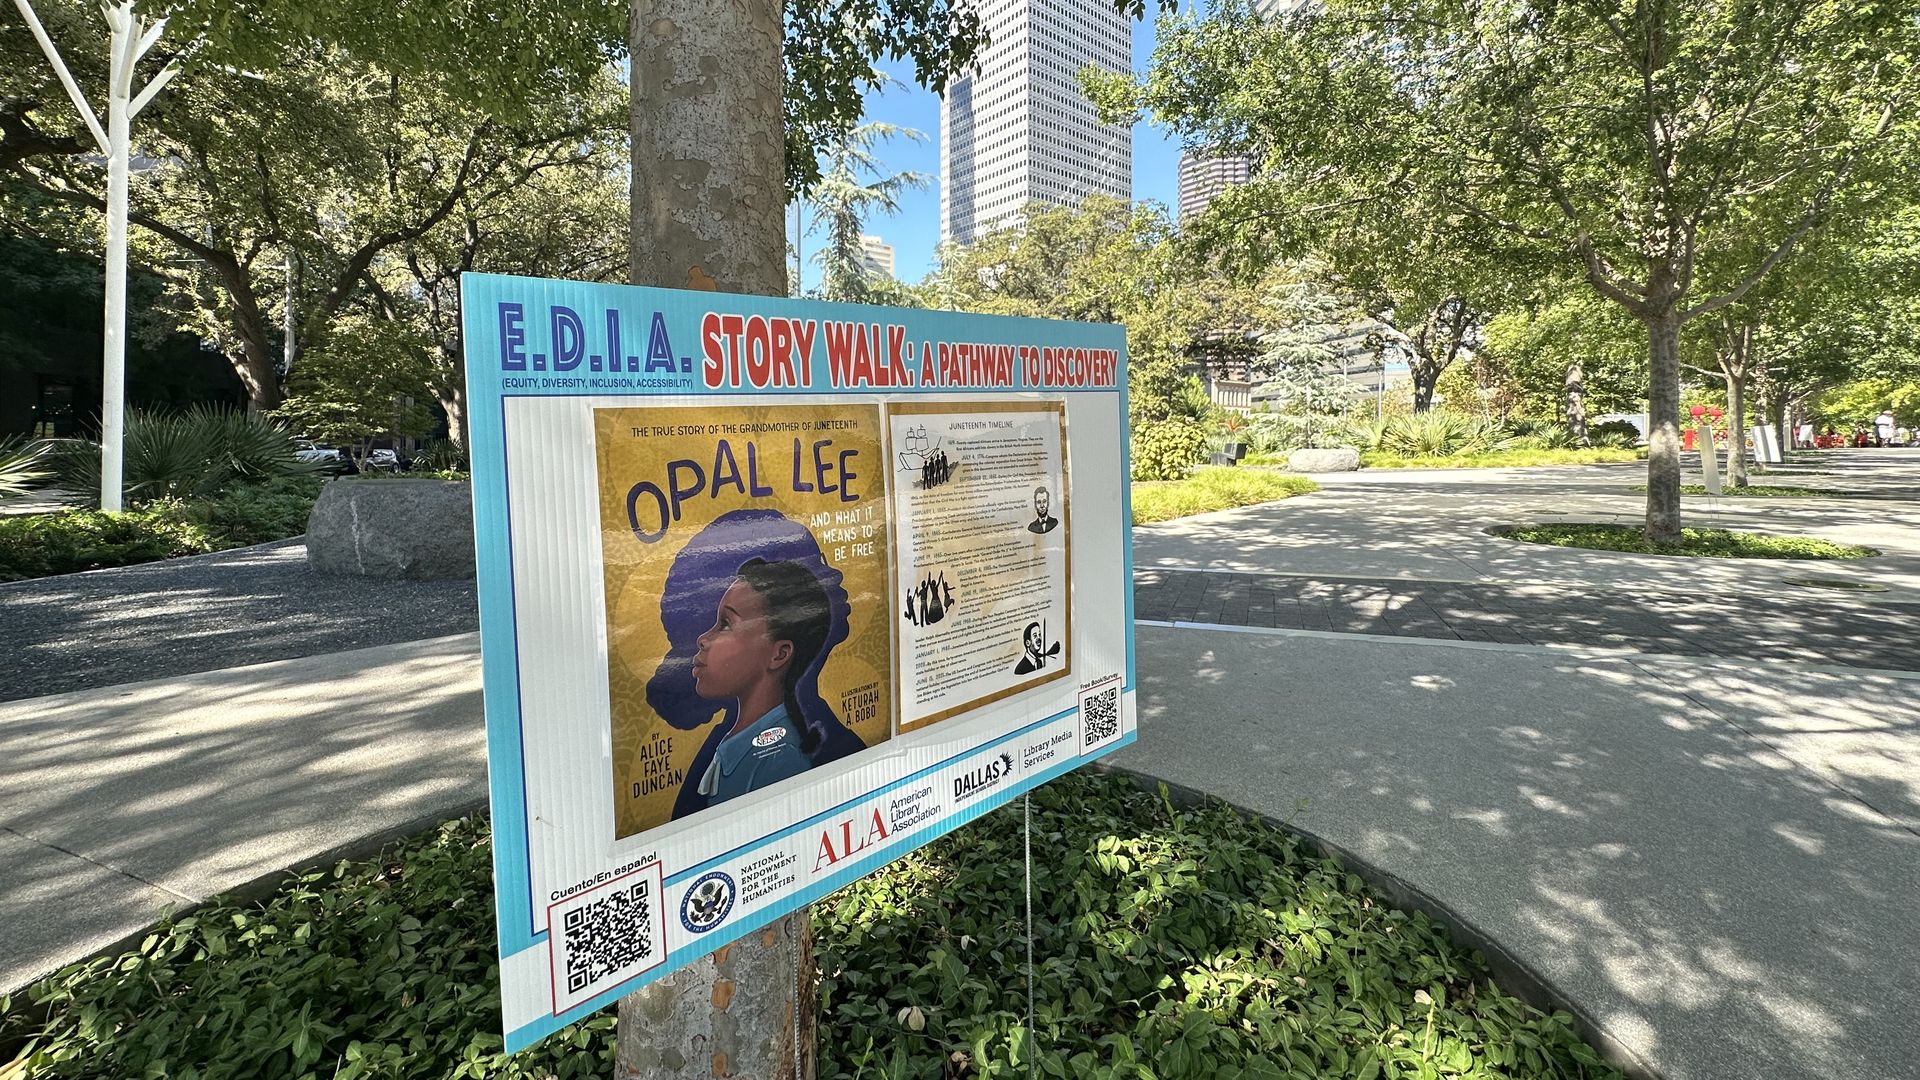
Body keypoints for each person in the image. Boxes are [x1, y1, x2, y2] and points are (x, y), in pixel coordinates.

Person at [689, 557, 831, 806]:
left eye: (725, 624)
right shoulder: (738, 744)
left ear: (779, 654)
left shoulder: (780, 760)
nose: (703, 638)